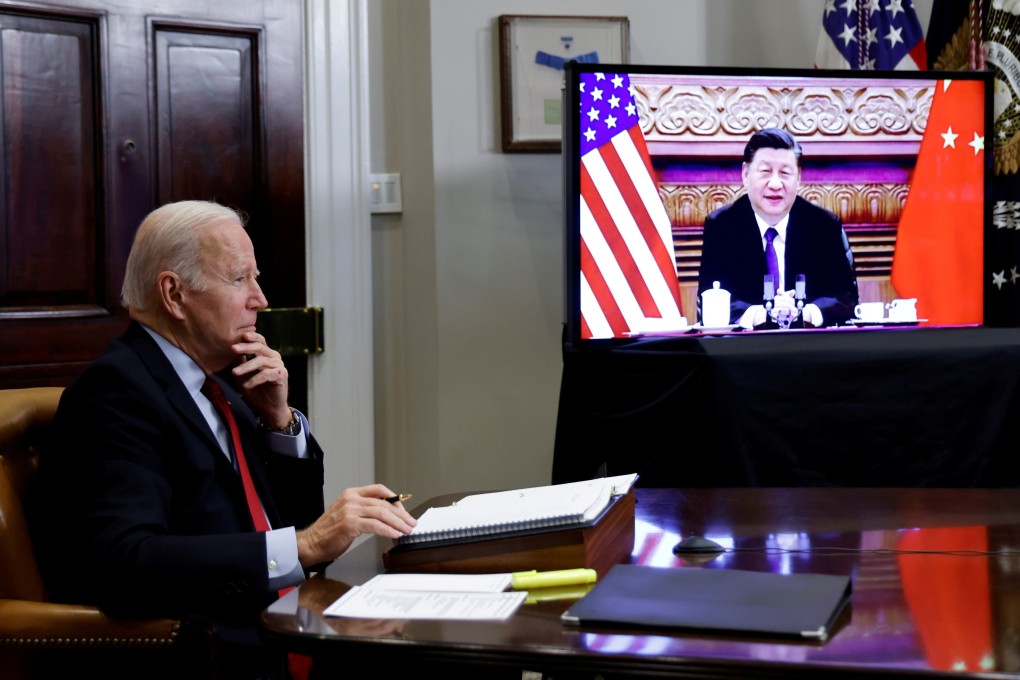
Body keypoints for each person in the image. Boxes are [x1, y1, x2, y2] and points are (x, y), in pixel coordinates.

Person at [32, 200, 417, 679]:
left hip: (288, 627)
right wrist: (305, 545)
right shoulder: (116, 393)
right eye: (240, 279)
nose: (261, 299)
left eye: (256, 279)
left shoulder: (221, 386)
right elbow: (127, 561)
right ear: (174, 294)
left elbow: (294, 526)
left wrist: (279, 423)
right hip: (217, 655)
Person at [697, 127, 859, 328]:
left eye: (785, 173)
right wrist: (760, 315)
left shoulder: (823, 225)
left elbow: (846, 298)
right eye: (765, 171)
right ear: (746, 174)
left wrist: (805, 313)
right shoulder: (722, 226)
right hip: (744, 344)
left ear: (798, 178)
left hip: (811, 343)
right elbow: (709, 299)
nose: (775, 184)